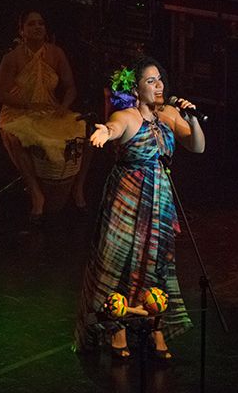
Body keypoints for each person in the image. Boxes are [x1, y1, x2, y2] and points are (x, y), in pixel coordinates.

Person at [73, 57, 204, 360]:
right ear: (135, 88)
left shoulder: (170, 114)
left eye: (160, 79)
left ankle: (154, 327)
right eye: (150, 81)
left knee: (156, 264)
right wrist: (105, 132)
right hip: (126, 200)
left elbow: (197, 146)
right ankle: (116, 328)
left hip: (160, 200)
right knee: (120, 260)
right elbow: (115, 127)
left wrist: (193, 118)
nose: (158, 85)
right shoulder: (128, 115)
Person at [0, 10, 84, 223]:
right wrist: (29, 104)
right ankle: (36, 194)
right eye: (31, 24)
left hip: (50, 109)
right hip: (18, 112)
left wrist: (64, 106)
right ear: (22, 30)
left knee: (87, 135)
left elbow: (71, 87)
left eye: (41, 24)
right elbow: (2, 95)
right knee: (14, 137)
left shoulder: (56, 54)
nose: (37, 27)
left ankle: (78, 189)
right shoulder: (12, 58)